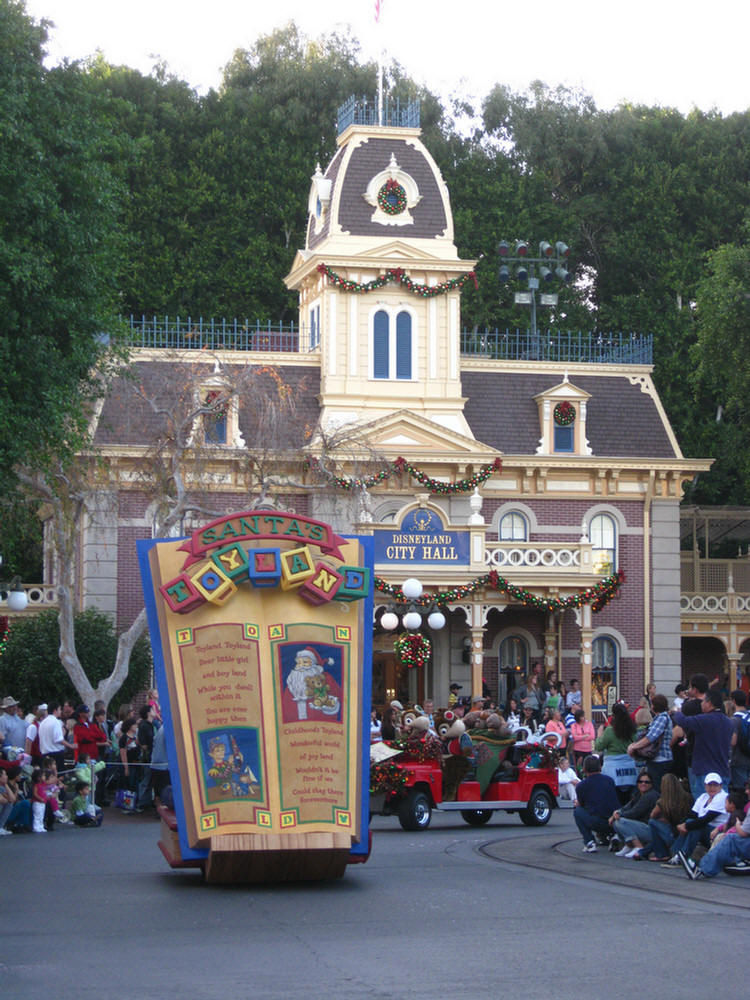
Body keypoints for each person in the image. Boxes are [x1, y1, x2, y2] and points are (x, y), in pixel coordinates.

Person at [673, 687, 733, 797]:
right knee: (721, 804)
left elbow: (683, 721)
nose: (701, 704)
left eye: (703, 701)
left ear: (709, 703)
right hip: (723, 770)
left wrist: (677, 712)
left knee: (703, 804)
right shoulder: (729, 722)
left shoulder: (704, 720)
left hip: (704, 770)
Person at [662, 772, 728, 867]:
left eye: (715, 785)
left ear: (720, 786)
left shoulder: (722, 797)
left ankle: (681, 856)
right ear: (705, 785)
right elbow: (692, 815)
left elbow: (706, 819)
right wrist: (683, 824)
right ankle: (678, 855)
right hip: (707, 832)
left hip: (718, 834)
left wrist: (686, 826)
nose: (712, 788)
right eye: (709, 785)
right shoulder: (703, 797)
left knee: (696, 827)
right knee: (691, 824)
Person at [573, 755, 620, 852]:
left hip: (597, 820)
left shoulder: (581, 785)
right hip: (615, 819)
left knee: (578, 811)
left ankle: (589, 841)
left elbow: (581, 804)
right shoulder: (609, 780)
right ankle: (613, 835)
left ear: (584, 769)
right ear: (600, 767)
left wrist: (578, 803)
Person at [627, 693, 673, 790]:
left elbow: (651, 737)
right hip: (656, 759)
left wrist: (634, 747)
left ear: (654, 706)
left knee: (656, 789)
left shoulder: (662, 718)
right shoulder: (659, 718)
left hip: (661, 759)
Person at [609, 769, 659, 857]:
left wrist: (619, 815)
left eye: (646, 782)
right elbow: (626, 807)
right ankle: (629, 845)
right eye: (640, 781)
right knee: (615, 822)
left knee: (621, 821)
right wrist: (616, 813)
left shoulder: (650, 796)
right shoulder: (638, 794)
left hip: (650, 829)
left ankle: (638, 846)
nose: (643, 784)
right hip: (639, 826)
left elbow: (634, 812)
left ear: (651, 784)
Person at [596, 702, 638, 802]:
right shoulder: (632, 729)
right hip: (630, 767)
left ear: (613, 715)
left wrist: (599, 735)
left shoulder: (610, 731)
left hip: (612, 768)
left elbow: (599, 746)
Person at [38, 701, 76, 774]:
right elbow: (58, 739)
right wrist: (71, 746)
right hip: (56, 754)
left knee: (48, 775)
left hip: (44, 754)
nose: (61, 711)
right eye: (59, 709)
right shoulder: (56, 722)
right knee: (59, 775)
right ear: (55, 710)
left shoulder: (43, 723)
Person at [729, 689, 750, 791]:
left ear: (733, 701)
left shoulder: (734, 720)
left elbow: (733, 741)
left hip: (739, 759)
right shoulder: (748, 716)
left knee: (741, 790)